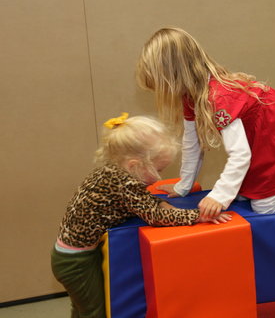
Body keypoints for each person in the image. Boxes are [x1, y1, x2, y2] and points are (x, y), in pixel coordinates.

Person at [136, 27, 275, 219]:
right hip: (268, 134)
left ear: (172, 76)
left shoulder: (219, 98)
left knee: (264, 205)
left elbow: (240, 155)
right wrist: (183, 187)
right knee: (244, 193)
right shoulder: (192, 96)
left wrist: (219, 196)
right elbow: (191, 143)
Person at [51, 113, 231, 318]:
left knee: (83, 307)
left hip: (71, 255)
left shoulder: (111, 171)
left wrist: (160, 201)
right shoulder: (125, 183)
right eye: (159, 169)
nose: (160, 176)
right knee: (94, 312)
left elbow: (140, 201)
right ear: (134, 165)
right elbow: (155, 217)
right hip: (76, 261)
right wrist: (197, 216)